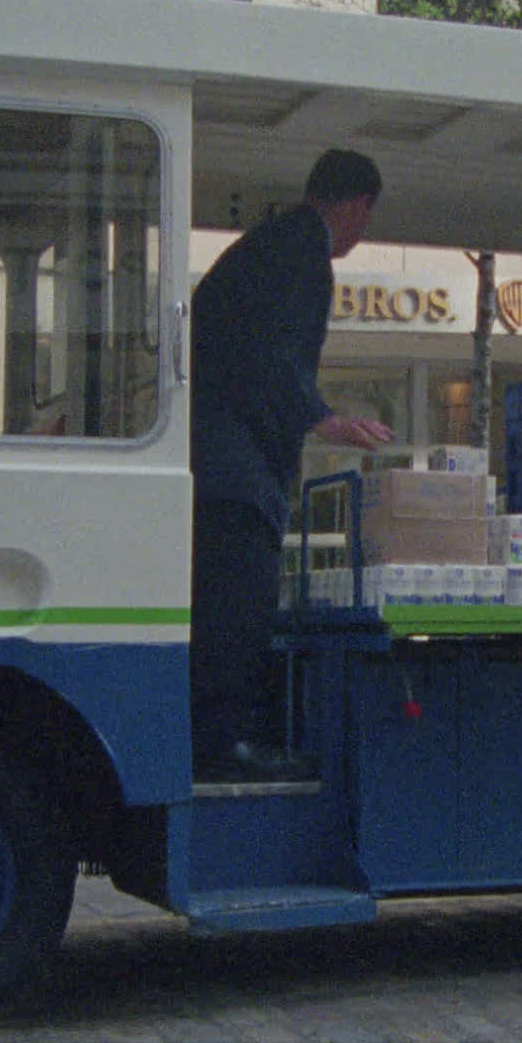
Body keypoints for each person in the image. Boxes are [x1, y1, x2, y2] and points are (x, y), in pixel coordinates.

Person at [189, 149, 395, 780]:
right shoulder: (300, 254)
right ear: (359, 205)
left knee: (223, 602)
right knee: (237, 607)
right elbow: (278, 350)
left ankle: (218, 737)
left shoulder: (268, 244)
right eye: (367, 216)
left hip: (218, 458)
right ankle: (224, 745)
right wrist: (321, 418)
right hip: (237, 469)